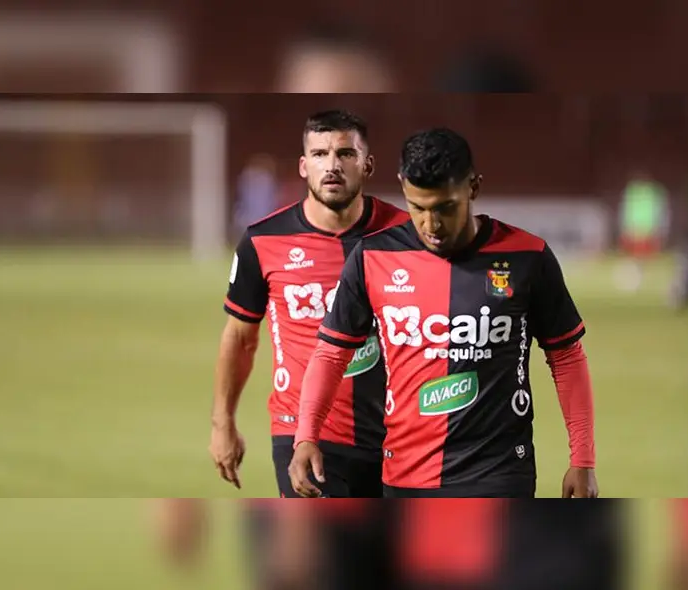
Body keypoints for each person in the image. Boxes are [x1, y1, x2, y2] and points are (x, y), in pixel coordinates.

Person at [289, 127, 598, 498]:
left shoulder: (527, 256)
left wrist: (582, 459)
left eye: (445, 208)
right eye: (417, 207)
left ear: (473, 187)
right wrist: (306, 436)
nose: (431, 225)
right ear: (403, 186)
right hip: (404, 473)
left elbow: (566, 356)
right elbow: (331, 352)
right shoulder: (373, 257)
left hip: (499, 472)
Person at [209, 109, 408, 498]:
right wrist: (223, 423)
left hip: (399, 436)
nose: (332, 166)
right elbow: (240, 337)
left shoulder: (405, 237)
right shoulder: (262, 242)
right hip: (304, 435)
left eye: (345, 154)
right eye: (319, 154)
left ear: (367, 164)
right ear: (303, 166)